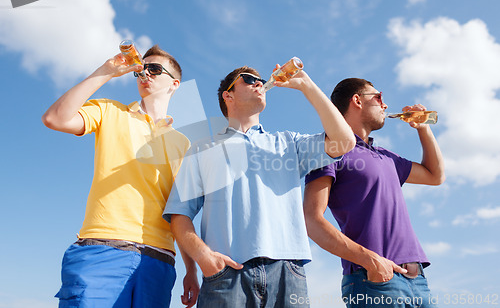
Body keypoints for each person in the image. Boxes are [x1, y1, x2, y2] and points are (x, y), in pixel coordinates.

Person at [163, 65, 356, 307]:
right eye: (249, 79)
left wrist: (306, 85)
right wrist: (204, 257)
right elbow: (180, 214)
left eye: (260, 80)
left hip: (288, 272)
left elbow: (345, 142)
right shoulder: (202, 149)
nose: (258, 83)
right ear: (228, 95)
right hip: (226, 274)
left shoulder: (288, 143)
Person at [42, 45, 199, 307]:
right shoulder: (109, 111)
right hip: (101, 251)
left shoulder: (183, 144)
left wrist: (191, 270)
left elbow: (180, 212)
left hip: (158, 262)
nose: (145, 74)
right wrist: (107, 70)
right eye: (141, 69)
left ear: (174, 83)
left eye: (155, 69)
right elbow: (54, 118)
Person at [304, 78, 445, 308]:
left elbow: (435, 176)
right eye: (378, 97)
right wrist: (371, 261)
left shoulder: (387, 156)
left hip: (418, 282)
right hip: (373, 282)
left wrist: (423, 129)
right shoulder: (331, 150)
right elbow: (312, 219)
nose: (385, 105)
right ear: (357, 101)